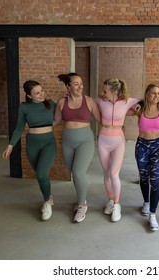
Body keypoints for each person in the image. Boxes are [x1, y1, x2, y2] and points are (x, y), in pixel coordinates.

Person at [2, 80, 57, 221]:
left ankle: (47, 202)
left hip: (49, 143)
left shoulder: (50, 104)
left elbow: (67, 111)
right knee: (40, 176)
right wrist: (10, 145)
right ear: (29, 95)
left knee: (41, 174)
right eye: (37, 93)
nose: (41, 94)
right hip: (32, 144)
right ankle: (48, 196)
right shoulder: (24, 107)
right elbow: (19, 128)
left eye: (41, 90)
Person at [55, 73, 101, 223]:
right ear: (68, 86)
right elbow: (55, 121)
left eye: (81, 83)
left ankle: (82, 205)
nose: (80, 86)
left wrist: (120, 122)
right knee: (74, 174)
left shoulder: (89, 101)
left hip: (85, 141)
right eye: (75, 84)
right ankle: (80, 200)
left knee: (78, 172)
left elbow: (102, 119)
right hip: (67, 141)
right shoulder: (61, 102)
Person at [95, 78, 140, 222]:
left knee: (114, 173)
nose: (102, 93)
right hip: (103, 140)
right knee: (107, 173)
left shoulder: (127, 101)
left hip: (118, 141)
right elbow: (85, 101)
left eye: (105, 91)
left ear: (114, 91)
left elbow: (146, 99)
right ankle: (110, 200)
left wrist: (137, 108)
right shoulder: (100, 101)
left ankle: (117, 204)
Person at [134, 84, 159, 231]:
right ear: (147, 94)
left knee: (155, 180)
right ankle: (146, 202)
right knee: (144, 177)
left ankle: (153, 215)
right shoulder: (140, 109)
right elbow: (121, 111)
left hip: (157, 147)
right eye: (153, 93)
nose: (157, 96)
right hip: (141, 146)